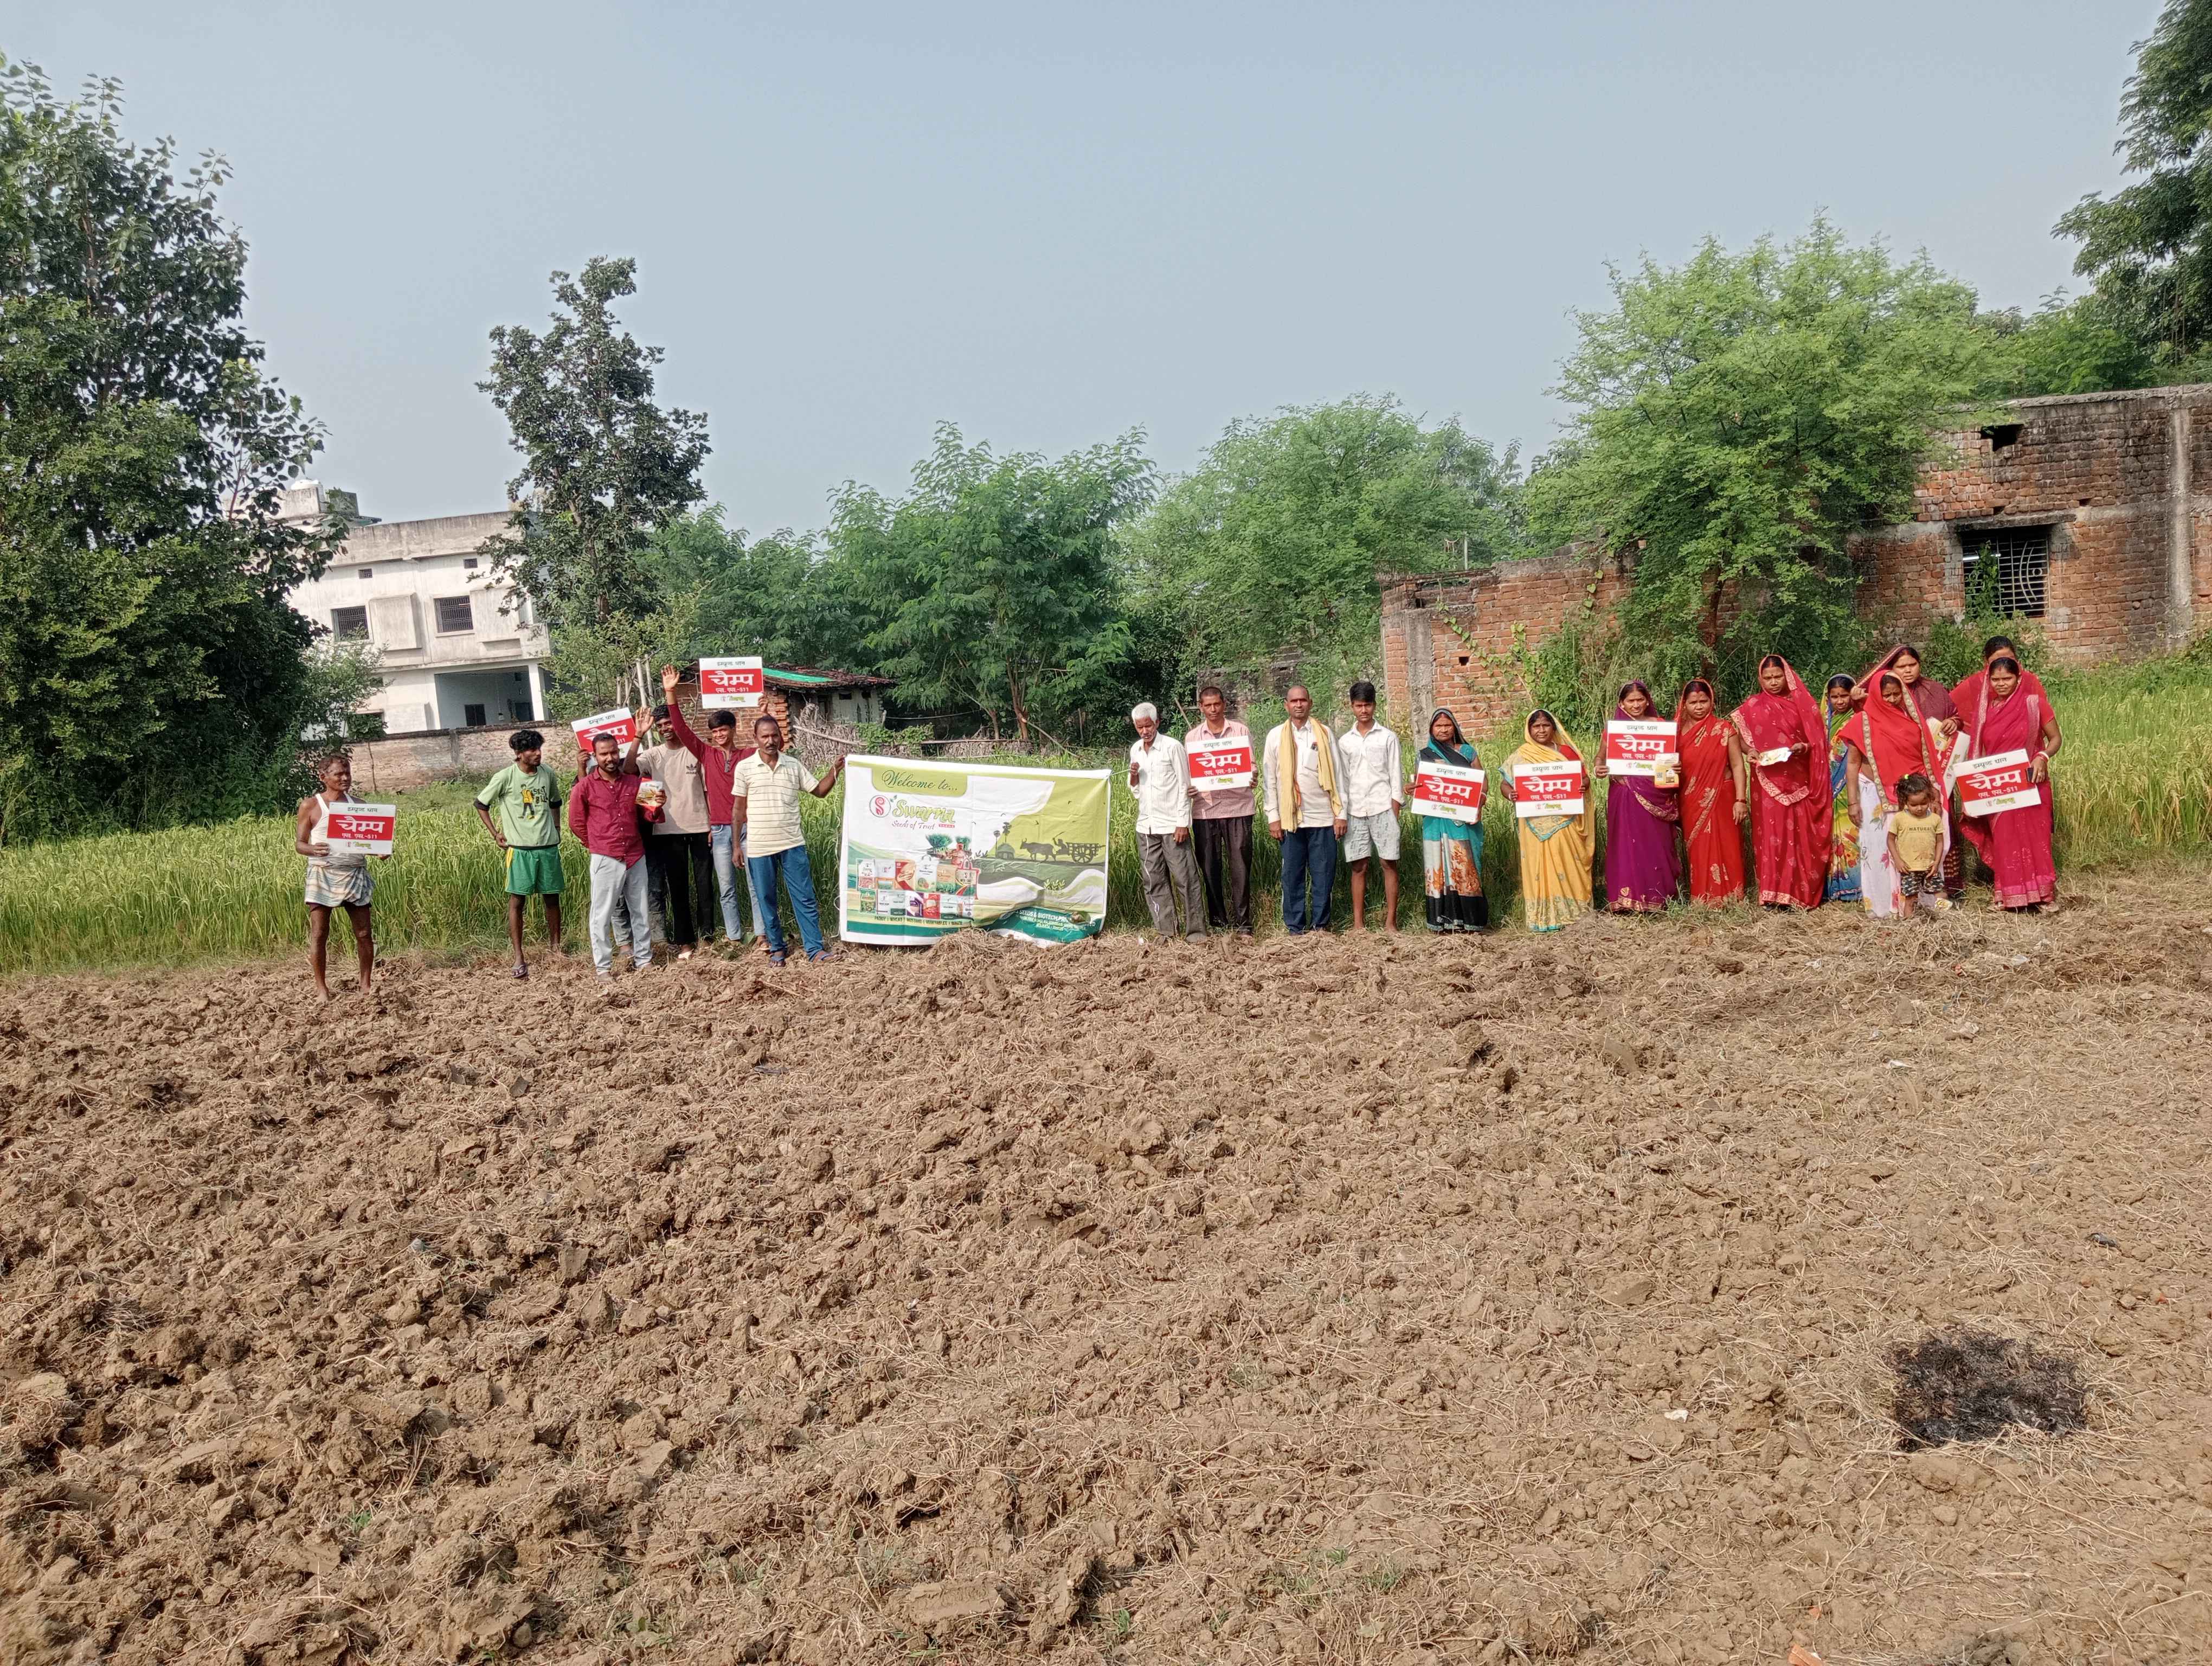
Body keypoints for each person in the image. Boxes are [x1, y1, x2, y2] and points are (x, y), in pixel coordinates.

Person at [659, 665, 770, 952]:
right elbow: (682, 730)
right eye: (715, 731)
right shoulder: (706, 754)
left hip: (749, 828)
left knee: (756, 884)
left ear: (733, 730)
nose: (719, 734)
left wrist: (764, 714)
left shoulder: (748, 755)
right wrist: (670, 693)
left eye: (723, 730)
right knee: (726, 887)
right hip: (720, 830)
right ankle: (734, 936)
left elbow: (771, 743)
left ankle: (762, 935)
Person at [733, 713, 844, 966]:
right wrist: (736, 845)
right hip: (759, 846)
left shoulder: (793, 766)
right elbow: (738, 809)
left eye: (774, 735)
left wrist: (835, 770)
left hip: (792, 844)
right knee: (766, 899)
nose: (770, 741)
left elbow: (820, 791)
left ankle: (815, 949)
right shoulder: (745, 768)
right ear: (755, 738)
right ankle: (777, 948)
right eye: (765, 736)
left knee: (804, 897)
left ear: (780, 737)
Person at [1955, 653, 2060, 911]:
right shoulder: (1985, 711)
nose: (2001, 684)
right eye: (1996, 680)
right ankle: (2008, 895)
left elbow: (2056, 739)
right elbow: (1979, 750)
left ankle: (2044, 896)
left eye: (2007, 679)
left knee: (2037, 840)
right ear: (1989, 680)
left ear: (2019, 678)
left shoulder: (2035, 704)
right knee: (2005, 841)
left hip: (2032, 783)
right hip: (1999, 787)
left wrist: (2042, 757)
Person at [1859, 645, 1963, 900]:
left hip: (1936, 769)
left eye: (1912, 665)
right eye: (1901, 666)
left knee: (1937, 824)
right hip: (1898, 778)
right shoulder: (1881, 695)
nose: (1908, 670)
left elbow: (1956, 715)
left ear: (1920, 665)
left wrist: (1954, 722)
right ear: (1890, 670)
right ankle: (1907, 895)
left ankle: (1944, 887)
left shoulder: (1935, 691)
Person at [1843, 671, 1949, 918]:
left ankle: (1926, 906)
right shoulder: (1862, 723)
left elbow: (1925, 761)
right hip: (1875, 797)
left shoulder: (1912, 721)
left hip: (1913, 799)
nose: (1892, 700)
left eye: (1896, 694)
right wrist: (1853, 802)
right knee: (1881, 851)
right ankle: (1886, 908)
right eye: (1886, 695)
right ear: (1876, 695)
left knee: (1922, 846)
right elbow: (1853, 764)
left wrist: (1933, 796)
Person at [1730, 655, 1828, 909]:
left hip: (1799, 779)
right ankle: (1772, 894)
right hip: (1767, 781)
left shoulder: (1803, 705)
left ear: (1788, 676)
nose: (1773, 682)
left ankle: (1798, 893)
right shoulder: (1753, 705)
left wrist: (1803, 747)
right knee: (1772, 835)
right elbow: (1743, 740)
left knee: (1798, 834)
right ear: (1760, 679)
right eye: (1768, 678)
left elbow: (1817, 741)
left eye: (1777, 677)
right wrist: (1750, 751)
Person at [473, 728, 564, 978]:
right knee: (517, 901)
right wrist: (496, 834)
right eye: (532, 750)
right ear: (519, 753)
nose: (538, 754)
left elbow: (555, 802)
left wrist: (557, 828)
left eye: (539, 748)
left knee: (552, 899)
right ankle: (518, 956)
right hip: (520, 850)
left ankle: (556, 949)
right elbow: (481, 804)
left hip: (547, 847)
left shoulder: (547, 774)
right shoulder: (506, 777)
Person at [569, 726, 653, 979]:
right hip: (605, 856)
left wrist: (657, 806)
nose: (610, 758)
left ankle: (644, 960)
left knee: (641, 910)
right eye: (604, 754)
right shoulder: (584, 787)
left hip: (635, 854)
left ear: (620, 752)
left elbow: (650, 816)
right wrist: (596, 844)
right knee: (601, 914)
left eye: (614, 752)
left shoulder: (635, 782)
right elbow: (576, 823)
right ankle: (603, 967)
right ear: (595, 756)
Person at [1262, 685, 1346, 935]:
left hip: (1323, 817)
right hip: (1291, 820)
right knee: (1292, 876)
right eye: (1294, 701)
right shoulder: (1275, 736)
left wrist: (1341, 814)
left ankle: (1321, 926)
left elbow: (1339, 776)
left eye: (1303, 700)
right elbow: (1270, 780)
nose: (1299, 705)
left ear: (1310, 703)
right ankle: (1295, 927)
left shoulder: (1325, 733)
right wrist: (1273, 817)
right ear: (1286, 705)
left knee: (1323, 875)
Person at [295, 753, 381, 997]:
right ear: (323, 777)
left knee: (364, 933)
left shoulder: (360, 805)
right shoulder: (311, 806)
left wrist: (380, 851)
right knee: (319, 933)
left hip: (354, 874)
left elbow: (368, 841)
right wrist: (313, 849)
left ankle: (365, 984)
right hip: (322, 874)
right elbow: (300, 844)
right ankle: (322, 989)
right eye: (338, 774)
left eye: (348, 774)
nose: (345, 778)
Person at [1592, 680, 1680, 913]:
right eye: (1630, 701)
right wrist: (1599, 767)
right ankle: (1627, 899)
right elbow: (1600, 757)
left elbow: (1671, 758)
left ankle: (1658, 897)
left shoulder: (1660, 727)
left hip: (1655, 792)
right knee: (1626, 843)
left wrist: (1675, 766)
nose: (1636, 705)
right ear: (1621, 703)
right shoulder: (1615, 730)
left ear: (1647, 701)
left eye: (1640, 699)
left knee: (1656, 842)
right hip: (1625, 793)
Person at [638, 701, 716, 962]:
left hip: (700, 827)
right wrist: (638, 735)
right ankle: (684, 941)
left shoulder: (695, 751)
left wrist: (712, 824)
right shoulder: (652, 756)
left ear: (678, 723)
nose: (665, 728)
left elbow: (708, 791)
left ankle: (708, 937)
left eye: (669, 723)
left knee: (705, 885)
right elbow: (630, 771)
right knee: (677, 888)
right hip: (666, 830)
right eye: (660, 725)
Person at [1504, 709, 1593, 933]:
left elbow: (1585, 778)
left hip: (1565, 819)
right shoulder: (1522, 755)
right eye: (1536, 726)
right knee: (1539, 865)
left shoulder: (1566, 752)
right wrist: (1510, 794)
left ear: (1553, 728)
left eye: (1546, 726)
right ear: (1529, 730)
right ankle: (1543, 917)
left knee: (1568, 861)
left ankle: (1575, 914)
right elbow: (1504, 784)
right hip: (1534, 822)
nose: (1541, 730)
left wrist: (1583, 786)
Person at [1128, 702, 1206, 941]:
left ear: (1157, 723)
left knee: (1185, 879)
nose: (1145, 731)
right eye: (1140, 727)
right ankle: (1166, 931)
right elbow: (1137, 791)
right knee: (1153, 880)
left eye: (1148, 726)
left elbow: (1185, 785)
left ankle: (1196, 933)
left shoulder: (1172, 747)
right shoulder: (1136, 750)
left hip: (1172, 826)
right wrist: (1133, 776)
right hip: (1146, 826)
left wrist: (1182, 823)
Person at [1185, 684, 1255, 936]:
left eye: (1217, 704)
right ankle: (1218, 923)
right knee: (1210, 868)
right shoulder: (1192, 738)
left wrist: (1252, 776)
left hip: (1238, 807)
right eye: (1208, 705)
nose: (1213, 709)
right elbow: (1190, 773)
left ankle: (1244, 925)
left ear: (1224, 704)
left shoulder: (1240, 731)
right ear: (1201, 708)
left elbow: (1251, 765)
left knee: (1241, 868)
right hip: (1206, 810)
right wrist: (1190, 787)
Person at [1336, 680, 1404, 931]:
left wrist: (1394, 812)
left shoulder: (1388, 737)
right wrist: (1342, 813)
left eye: (1367, 705)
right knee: (1359, 866)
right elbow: (1342, 781)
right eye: (1359, 706)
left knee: (1389, 863)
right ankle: (1358, 925)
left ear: (1375, 705)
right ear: (1352, 707)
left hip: (1383, 807)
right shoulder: (1345, 742)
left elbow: (1396, 776)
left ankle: (1391, 922)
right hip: (1355, 810)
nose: (1363, 710)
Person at [1674, 678, 1747, 907]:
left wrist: (1741, 800)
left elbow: (1738, 766)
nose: (1699, 707)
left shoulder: (1724, 730)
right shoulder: (1674, 733)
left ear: (1711, 701)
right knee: (1699, 847)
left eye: (1703, 701)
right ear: (1684, 704)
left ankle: (1733, 895)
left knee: (1728, 844)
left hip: (1723, 796)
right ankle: (1702, 896)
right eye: (1693, 702)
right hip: (1691, 798)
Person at [1416, 708, 1486, 933]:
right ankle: (1442, 921)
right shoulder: (1426, 754)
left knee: (1466, 864)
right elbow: (1421, 785)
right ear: (1431, 730)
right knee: (1438, 866)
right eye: (1439, 726)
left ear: (1454, 727)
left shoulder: (1467, 752)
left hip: (1462, 821)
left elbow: (1482, 781)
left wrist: (1480, 803)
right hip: (1436, 821)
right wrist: (1411, 789)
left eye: (1447, 725)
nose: (1444, 730)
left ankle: (1470, 921)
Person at [1821, 676, 1863, 906]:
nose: (1839, 701)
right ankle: (1835, 888)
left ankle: (1857, 887)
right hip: (1827, 789)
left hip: (1851, 786)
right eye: (1834, 697)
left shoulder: (1859, 718)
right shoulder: (1823, 723)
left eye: (1844, 696)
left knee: (1852, 834)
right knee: (1832, 836)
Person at [1887, 772, 1949, 915]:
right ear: (1905, 802)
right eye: (1914, 805)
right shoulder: (1900, 818)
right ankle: (1909, 925)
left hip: (1930, 867)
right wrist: (1898, 860)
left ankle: (1944, 920)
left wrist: (1936, 862)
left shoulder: (1935, 819)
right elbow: (1890, 840)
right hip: (1909, 868)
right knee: (1911, 899)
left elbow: (1940, 841)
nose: (1919, 808)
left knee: (1941, 895)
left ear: (1930, 799)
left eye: (1924, 803)